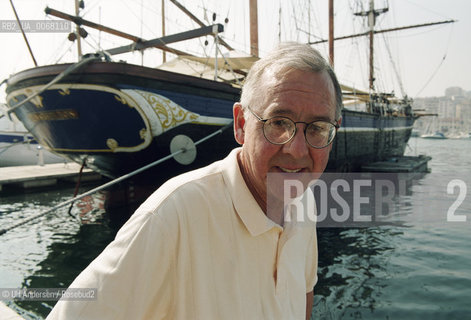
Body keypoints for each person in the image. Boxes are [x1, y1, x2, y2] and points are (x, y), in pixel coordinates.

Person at [47, 42, 343, 320]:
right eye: (278, 122)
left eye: (318, 127)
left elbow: (303, 291)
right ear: (241, 124)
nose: (297, 149)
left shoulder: (302, 198)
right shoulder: (173, 216)